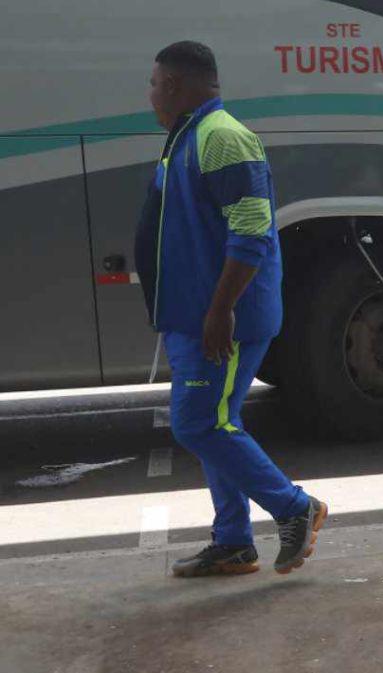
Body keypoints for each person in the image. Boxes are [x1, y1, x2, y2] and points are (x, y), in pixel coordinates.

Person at [135, 41, 327, 577]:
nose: (149, 95)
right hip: (194, 316)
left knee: (198, 423)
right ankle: (234, 542)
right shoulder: (189, 138)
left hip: (221, 320)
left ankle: (294, 507)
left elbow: (252, 233)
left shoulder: (222, 138)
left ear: (173, 84)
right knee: (218, 422)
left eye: (153, 84)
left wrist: (220, 310)